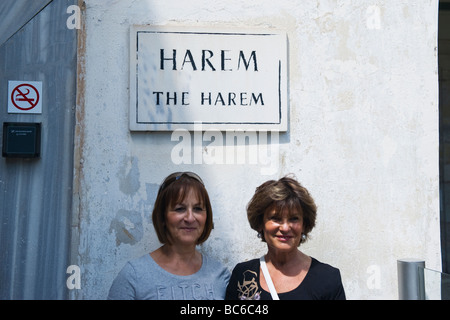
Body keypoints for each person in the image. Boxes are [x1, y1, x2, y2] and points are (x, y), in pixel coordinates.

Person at [108, 172, 230, 300]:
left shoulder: (220, 275)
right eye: (179, 209)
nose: (190, 218)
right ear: (162, 217)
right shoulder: (133, 275)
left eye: (198, 209)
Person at [225, 175, 346, 300]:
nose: (285, 228)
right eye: (276, 219)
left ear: (304, 224)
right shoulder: (243, 275)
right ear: (261, 223)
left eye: (294, 219)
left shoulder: (327, 278)